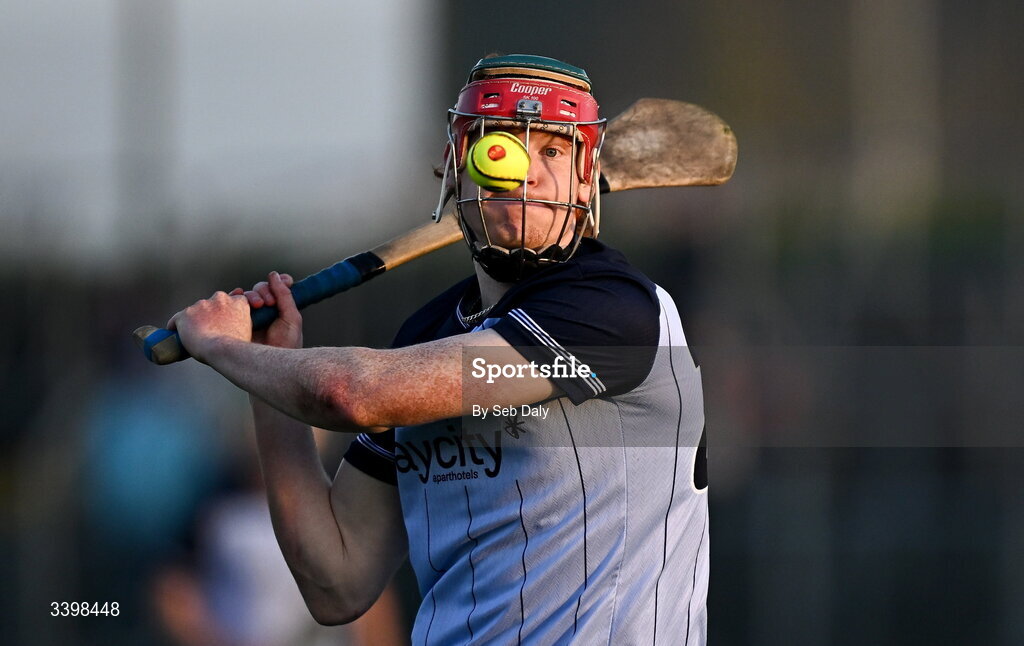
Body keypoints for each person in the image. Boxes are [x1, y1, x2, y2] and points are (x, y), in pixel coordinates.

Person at [168, 54, 709, 645]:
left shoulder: (613, 311)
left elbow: (353, 394)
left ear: (586, 178)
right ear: (456, 171)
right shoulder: (428, 336)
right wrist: (265, 365)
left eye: (552, 151)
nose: (524, 171)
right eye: (500, 148)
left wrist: (222, 349)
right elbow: (336, 581)